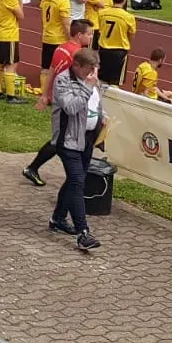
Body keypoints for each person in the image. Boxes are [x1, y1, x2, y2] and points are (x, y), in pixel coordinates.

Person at [25, 19, 93, 185]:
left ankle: (75, 176)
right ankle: (35, 168)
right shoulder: (79, 55)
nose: (91, 37)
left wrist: (45, 94)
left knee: (65, 138)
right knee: (62, 140)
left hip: (60, 97)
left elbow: (52, 72)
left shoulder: (60, 48)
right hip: (69, 100)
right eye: (89, 34)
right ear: (79, 34)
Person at [49, 48, 105, 251]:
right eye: (89, 69)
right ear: (77, 66)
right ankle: (83, 232)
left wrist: (102, 117)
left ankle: (57, 218)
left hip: (87, 140)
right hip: (68, 141)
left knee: (74, 181)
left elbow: (95, 103)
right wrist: (88, 87)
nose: (92, 73)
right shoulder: (63, 81)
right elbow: (71, 107)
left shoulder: (92, 79)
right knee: (77, 182)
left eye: (95, 69)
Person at [38, 0, 73, 94]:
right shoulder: (63, 1)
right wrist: (71, 40)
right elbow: (66, 24)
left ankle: (44, 93)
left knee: (45, 68)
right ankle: (57, 94)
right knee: (60, 69)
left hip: (47, 36)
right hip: (59, 39)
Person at [95, 0, 136, 86]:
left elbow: (100, 29)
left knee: (101, 80)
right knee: (115, 83)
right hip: (119, 52)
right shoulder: (129, 17)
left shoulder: (102, 13)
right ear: (124, 0)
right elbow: (131, 35)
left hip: (103, 50)